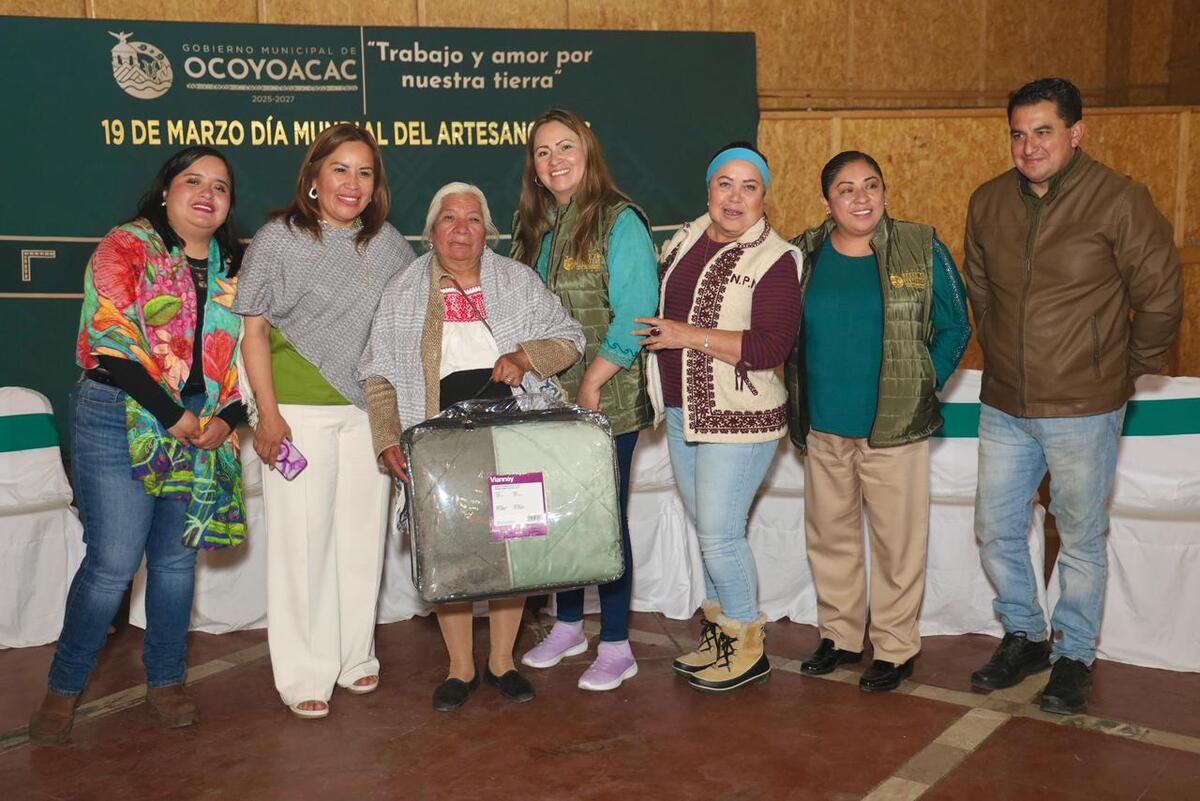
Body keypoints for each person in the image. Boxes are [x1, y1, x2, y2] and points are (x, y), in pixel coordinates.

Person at [964, 77, 1182, 714]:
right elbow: (981, 291)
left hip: (1086, 407)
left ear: (1075, 133)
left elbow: (1162, 297)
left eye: (1043, 131)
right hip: (1004, 403)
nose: (1028, 146)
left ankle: (1074, 655)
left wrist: (1121, 369)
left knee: (1081, 537)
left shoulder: (1120, 200)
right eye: (1018, 134)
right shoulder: (987, 202)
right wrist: (1002, 355)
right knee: (994, 530)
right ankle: (1025, 636)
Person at [30, 146, 247, 746]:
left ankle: (167, 681)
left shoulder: (237, 265)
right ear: (164, 192)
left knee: (177, 562)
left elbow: (251, 357)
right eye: (193, 180)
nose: (207, 193)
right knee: (113, 562)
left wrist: (228, 416)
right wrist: (172, 414)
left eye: (221, 186)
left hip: (202, 425)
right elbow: (110, 338)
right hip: (117, 412)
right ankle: (64, 688)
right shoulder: (126, 245)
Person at [360, 182, 585, 712]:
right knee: (452, 555)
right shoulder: (402, 291)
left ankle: (502, 661)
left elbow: (569, 336)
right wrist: (388, 439)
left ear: (488, 231)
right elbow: (378, 376)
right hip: (439, 443)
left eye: (473, 220)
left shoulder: (518, 281)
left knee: (511, 550)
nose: (461, 230)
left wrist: (525, 358)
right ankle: (460, 668)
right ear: (431, 230)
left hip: (513, 434)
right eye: (449, 219)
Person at [234, 124, 416, 720]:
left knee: (361, 540)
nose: (352, 183)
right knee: (301, 544)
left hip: (367, 413)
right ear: (314, 177)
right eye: (340, 169)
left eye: (365, 173)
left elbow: (406, 330)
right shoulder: (277, 239)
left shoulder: (388, 244)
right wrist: (267, 414)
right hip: (297, 414)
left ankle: (354, 657)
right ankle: (303, 672)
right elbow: (253, 329)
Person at [785, 151, 972, 693]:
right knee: (831, 538)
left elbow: (956, 326)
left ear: (885, 193)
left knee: (898, 543)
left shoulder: (919, 244)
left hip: (893, 428)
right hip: (824, 425)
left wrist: (921, 383)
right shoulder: (803, 254)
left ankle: (893, 647)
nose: (861, 198)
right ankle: (840, 637)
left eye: (872, 185)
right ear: (826, 202)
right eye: (846, 189)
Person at [635, 142, 801, 694]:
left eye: (749, 186)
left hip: (741, 417)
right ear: (709, 189)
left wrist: (687, 336)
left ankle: (748, 647)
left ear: (764, 195)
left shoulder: (777, 258)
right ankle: (720, 636)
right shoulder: (685, 237)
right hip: (685, 413)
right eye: (724, 184)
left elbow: (772, 346)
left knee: (720, 536)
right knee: (710, 533)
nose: (735, 197)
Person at [510, 109, 659, 692]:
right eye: (543, 152)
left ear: (588, 151)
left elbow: (638, 313)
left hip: (606, 402)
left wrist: (594, 381)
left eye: (565, 147)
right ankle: (569, 623)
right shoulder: (543, 227)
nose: (554, 160)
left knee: (604, 520)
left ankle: (617, 642)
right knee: (560, 518)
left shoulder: (621, 221)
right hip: (550, 403)